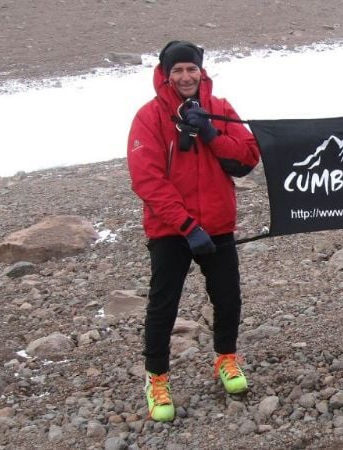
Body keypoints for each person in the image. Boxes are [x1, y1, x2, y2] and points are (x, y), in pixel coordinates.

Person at [127, 40, 260, 421]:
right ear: (165, 74)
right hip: (171, 229)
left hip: (217, 224)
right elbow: (147, 179)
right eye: (178, 70)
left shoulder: (219, 109)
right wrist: (186, 225)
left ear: (201, 71)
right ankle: (156, 378)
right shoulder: (150, 116)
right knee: (163, 305)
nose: (186, 76)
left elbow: (248, 156)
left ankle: (226, 358)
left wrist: (212, 134)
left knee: (228, 298)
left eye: (191, 69)